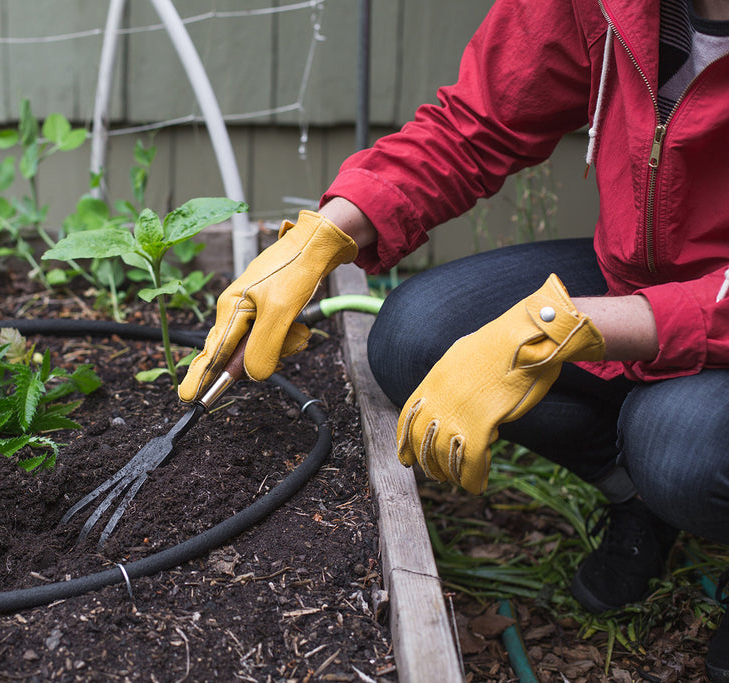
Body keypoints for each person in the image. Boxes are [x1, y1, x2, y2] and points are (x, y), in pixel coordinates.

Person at [178, 0, 729, 677]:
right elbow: (476, 123)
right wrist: (326, 237)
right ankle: (637, 496)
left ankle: (665, 472)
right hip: (640, 278)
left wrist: (560, 327)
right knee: (415, 336)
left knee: (679, 445)